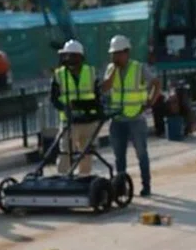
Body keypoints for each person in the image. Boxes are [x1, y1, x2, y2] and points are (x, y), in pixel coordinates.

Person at [101, 35, 160, 197]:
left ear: (126, 52)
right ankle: (121, 187)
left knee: (141, 154)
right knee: (119, 156)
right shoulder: (110, 69)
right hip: (117, 119)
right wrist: (112, 73)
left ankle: (146, 185)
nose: (114, 57)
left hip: (136, 119)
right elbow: (104, 88)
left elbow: (156, 83)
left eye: (117, 53)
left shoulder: (139, 68)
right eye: (112, 54)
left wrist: (150, 101)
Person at [50, 39, 102, 175]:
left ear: (80, 57)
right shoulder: (59, 75)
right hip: (69, 122)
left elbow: (98, 96)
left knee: (87, 155)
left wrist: (99, 111)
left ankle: (84, 179)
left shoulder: (91, 72)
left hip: (89, 121)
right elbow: (54, 99)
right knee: (65, 153)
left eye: (71, 56)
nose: (68, 59)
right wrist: (64, 108)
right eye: (66, 56)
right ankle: (62, 180)